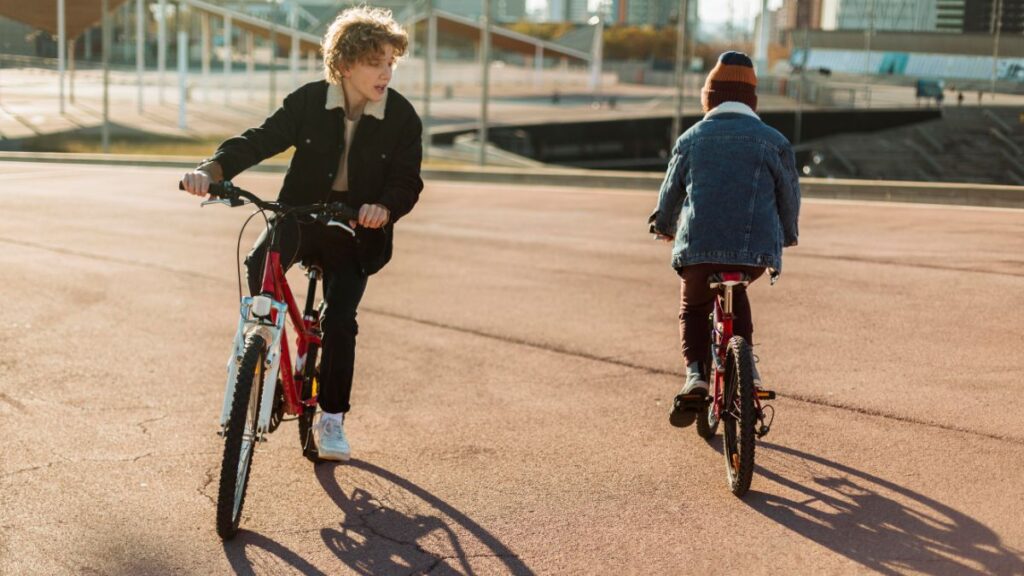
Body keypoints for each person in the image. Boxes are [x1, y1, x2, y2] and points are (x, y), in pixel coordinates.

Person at [180, 7, 423, 460]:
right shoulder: (310, 102)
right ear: (346, 64)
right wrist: (208, 171)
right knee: (258, 263)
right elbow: (259, 139)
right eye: (376, 61)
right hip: (298, 215)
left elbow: (407, 181)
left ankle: (331, 417)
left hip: (354, 230)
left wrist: (382, 208)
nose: (386, 72)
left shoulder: (402, 117)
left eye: (391, 61)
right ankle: (260, 357)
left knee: (338, 322)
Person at [647, 51, 800, 428]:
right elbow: (789, 198)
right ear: (752, 100)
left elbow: (670, 196)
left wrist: (664, 226)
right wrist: (787, 236)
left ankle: (696, 375)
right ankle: (750, 374)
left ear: (709, 98)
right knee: (738, 289)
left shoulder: (692, 138)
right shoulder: (773, 140)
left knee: (695, 307)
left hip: (699, 252)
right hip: (753, 254)